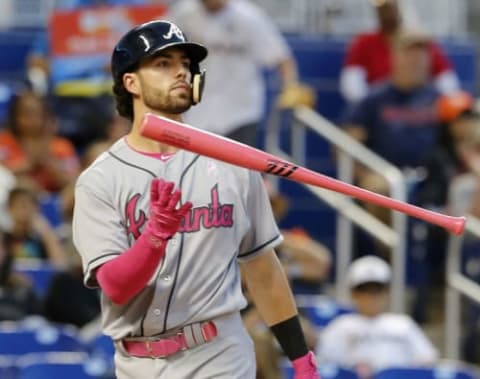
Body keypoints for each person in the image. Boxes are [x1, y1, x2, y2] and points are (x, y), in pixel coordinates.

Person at [72, 20, 319, 379]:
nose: (181, 73)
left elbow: (263, 270)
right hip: (137, 363)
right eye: (163, 64)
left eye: (185, 64)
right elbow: (116, 286)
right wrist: (154, 238)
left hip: (219, 354)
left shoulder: (234, 162)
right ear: (131, 82)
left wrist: (300, 357)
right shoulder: (100, 179)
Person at [167, 0, 315, 147]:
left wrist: (291, 86)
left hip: (240, 111)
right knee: (195, 166)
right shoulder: (185, 12)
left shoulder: (249, 17)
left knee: (236, 168)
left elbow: (282, 59)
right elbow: (162, 42)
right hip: (197, 109)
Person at [316, 255, 438, 379]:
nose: (371, 296)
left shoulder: (404, 324)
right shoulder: (340, 326)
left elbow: (427, 361)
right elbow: (327, 365)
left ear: (387, 292)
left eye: (377, 290)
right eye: (364, 290)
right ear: (353, 293)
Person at [340, 0, 459, 104]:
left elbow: (447, 82)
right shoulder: (365, 42)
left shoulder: (421, 41)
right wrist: (371, 107)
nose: (413, 58)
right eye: (382, 9)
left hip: (422, 107)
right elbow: (352, 85)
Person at [0, 91, 80, 194]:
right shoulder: (3, 141)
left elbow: (75, 182)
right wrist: (29, 164)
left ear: (46, 117)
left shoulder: (61, 146)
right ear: (15, 117)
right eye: (26, 114)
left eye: (37, 114)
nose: (31, 120)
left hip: (55, 201)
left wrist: (51, 165)